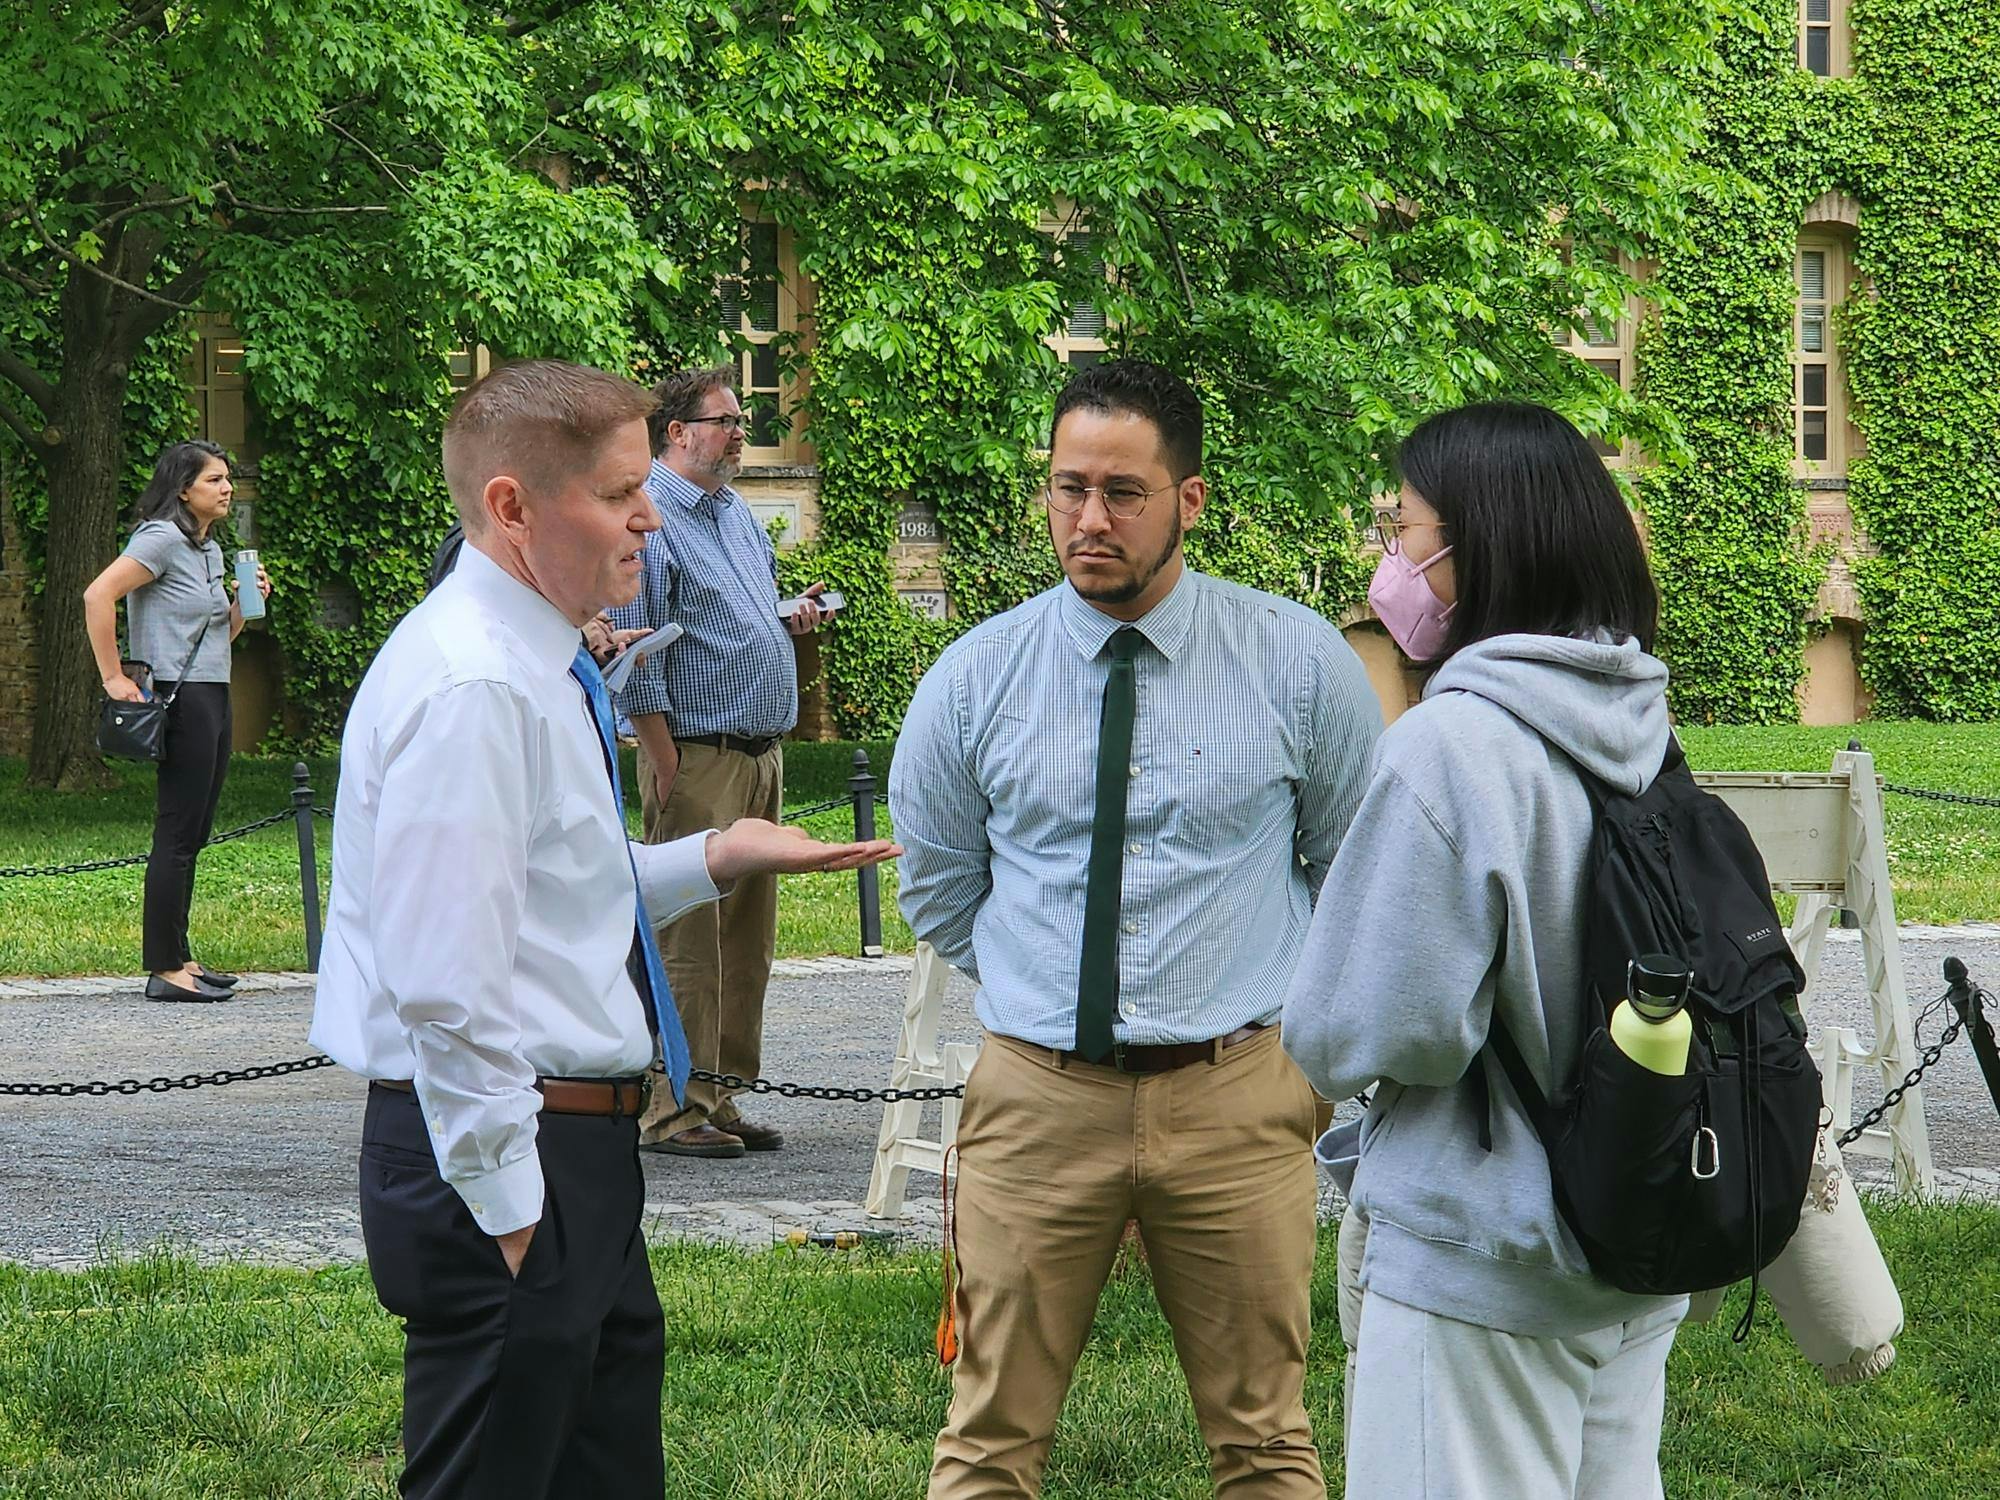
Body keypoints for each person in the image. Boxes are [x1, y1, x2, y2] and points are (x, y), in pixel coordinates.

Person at [309, 360, 897, 1500]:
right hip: (508, 1157)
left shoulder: (533, 663)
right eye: (619, 491)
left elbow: (548, 889)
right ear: (513, 507)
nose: (645, 515)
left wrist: (715, 855)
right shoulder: (474, 685)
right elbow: (445, 984)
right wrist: (516, 1219)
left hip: (561, 1152)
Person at [891, 359, 1382, 1498]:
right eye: (1067, 488)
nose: (1088, 520)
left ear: (1189, 501)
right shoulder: (974, 681)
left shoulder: (1295, 663)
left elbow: (1348, 873)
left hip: (1235, 1097)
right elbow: (943, 890)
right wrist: (1046, 994)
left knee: (1264, 1439)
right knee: (985, 1441)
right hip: (1035, 1100)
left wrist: (1281, 1070)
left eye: (1122, 492)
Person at [1281, 400, 1687, 1500]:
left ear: (1473, 552)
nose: (1389, 558)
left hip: (1484, 1258)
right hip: (1625, 1231)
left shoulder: (1451, 746)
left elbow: (1368, 1030)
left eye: (1404, 529)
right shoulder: (1638, 719)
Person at [606, 366, 828, 1159]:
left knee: (746, 941)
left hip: (758, 754)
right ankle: (672, 1109)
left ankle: (720, 1094)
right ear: (678, 432)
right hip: (694, 756)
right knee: (689, 939)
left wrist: (784, 621)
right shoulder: (652, 515)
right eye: (726, 420)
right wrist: (660, 754)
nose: (740, 432)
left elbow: (732, 619)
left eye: (741, 420)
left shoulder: (732, 513)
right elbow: (641, 643)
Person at [83, 439, 271, 1002]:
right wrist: (114, 677)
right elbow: (97, 595)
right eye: (215, 479)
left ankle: (182, 956)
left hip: (213, 691)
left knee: (195, 830)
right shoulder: (160, 538)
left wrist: (242, 606)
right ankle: (163, 967)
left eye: (227, 478)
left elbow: (217, 636)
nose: (227, 488)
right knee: (177, 831)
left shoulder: (208, 550)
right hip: (179, 699)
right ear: (183, 487)